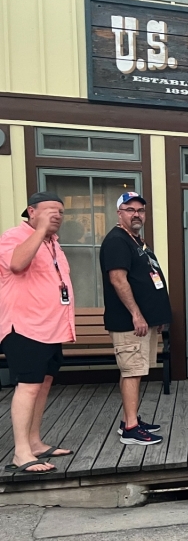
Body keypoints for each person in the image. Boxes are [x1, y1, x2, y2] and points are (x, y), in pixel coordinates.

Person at [0, 191, 75, 474]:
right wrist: (40, 229)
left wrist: (45, 234)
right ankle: (21, 453)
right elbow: (17, 264)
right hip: (25, 327)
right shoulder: (13, 237)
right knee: (28, 386)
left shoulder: (53, 244)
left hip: (51, 328)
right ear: (31, 212)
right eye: (49, 210)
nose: (57, 215)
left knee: (43, 385)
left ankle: (34, 441)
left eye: (60, 211)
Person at [99, 192, 172, 446]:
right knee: (132, 371)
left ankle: (129, 420)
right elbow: (118, 279)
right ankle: (131, 428)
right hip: (129, 323)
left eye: (140, 210)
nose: (136, 214)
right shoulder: (117, 241)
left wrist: (156, 316)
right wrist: (137, 314)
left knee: (134, 371)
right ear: (119, 213)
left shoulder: (135, 240)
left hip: (143, 322)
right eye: (130, 210)